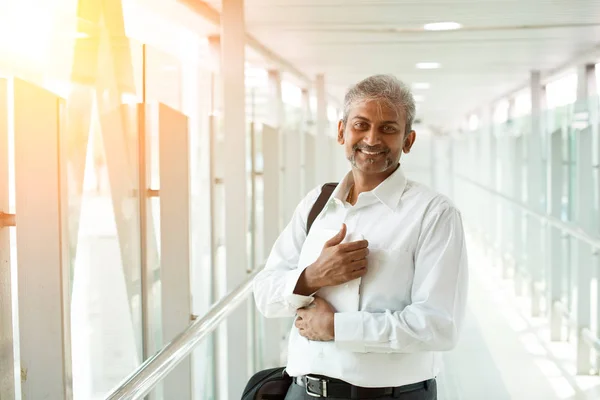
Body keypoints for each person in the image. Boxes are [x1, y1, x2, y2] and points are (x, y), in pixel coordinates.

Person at [253, 74, 468, 400]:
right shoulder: (317, 203)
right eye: (361, 125)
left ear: (407, 141)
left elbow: (438, 326)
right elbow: (265, 295)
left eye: (388, 128)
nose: (372, 138)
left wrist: (337, 328)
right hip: (304, 392)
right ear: (342, 132)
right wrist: (311, 277)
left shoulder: (434, 214)